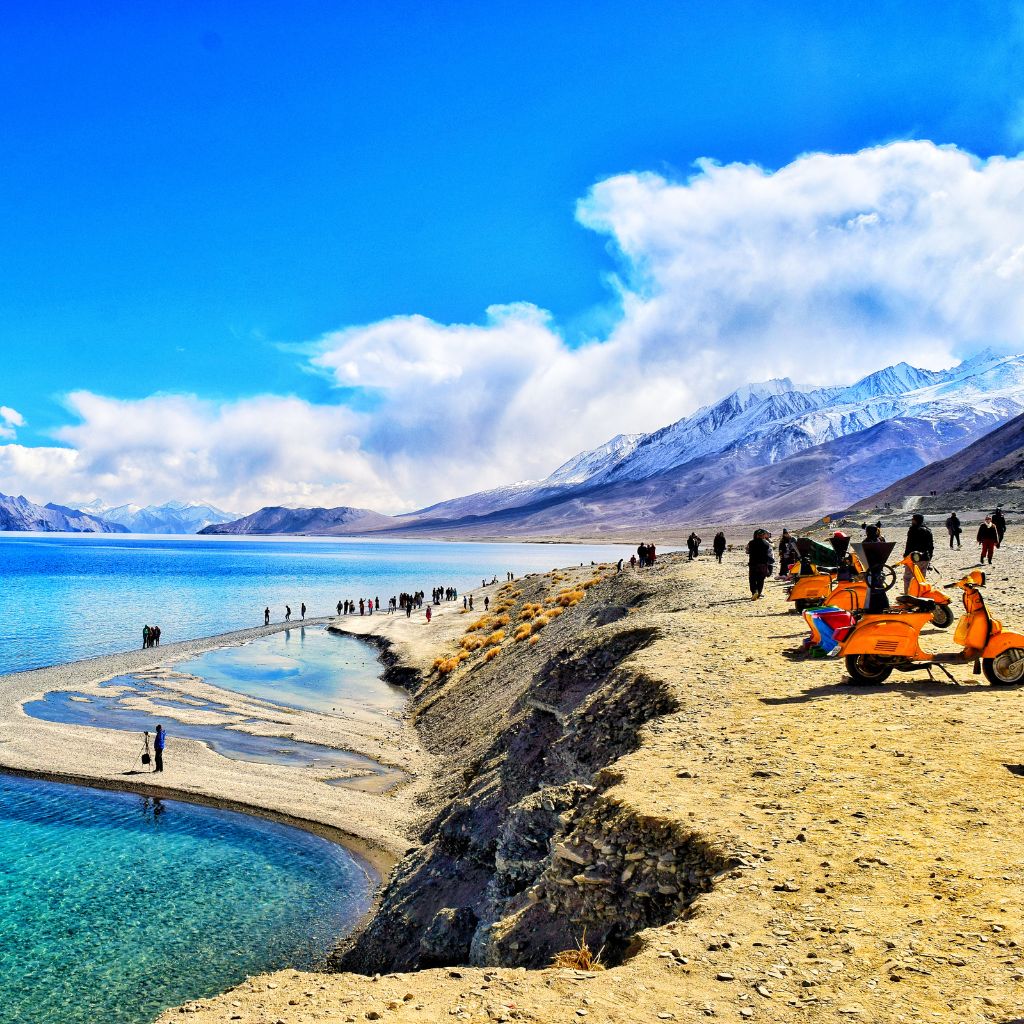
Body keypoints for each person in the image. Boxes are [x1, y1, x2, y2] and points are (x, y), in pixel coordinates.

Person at [903, 513, 934, 593]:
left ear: (916, 520)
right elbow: (931, 546)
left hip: (914, 558)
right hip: (925, 558)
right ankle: (920, 595)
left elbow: (909, 545)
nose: (912, 521)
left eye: (913, 519)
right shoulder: (928, 530)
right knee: (921, 578)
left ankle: (908, 596)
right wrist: (929, 558)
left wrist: (906, 557)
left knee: (908, 578)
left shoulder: (913, 530)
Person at [746, 529, 774, 600]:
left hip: (753, 563)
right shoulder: (766, 543)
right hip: (763, 564)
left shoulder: (751, 543)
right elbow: (771, 550)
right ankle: (759, 593)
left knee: (752, 578)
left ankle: (754, 591)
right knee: (760, 579)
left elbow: (747, 551)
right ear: (763, 535)